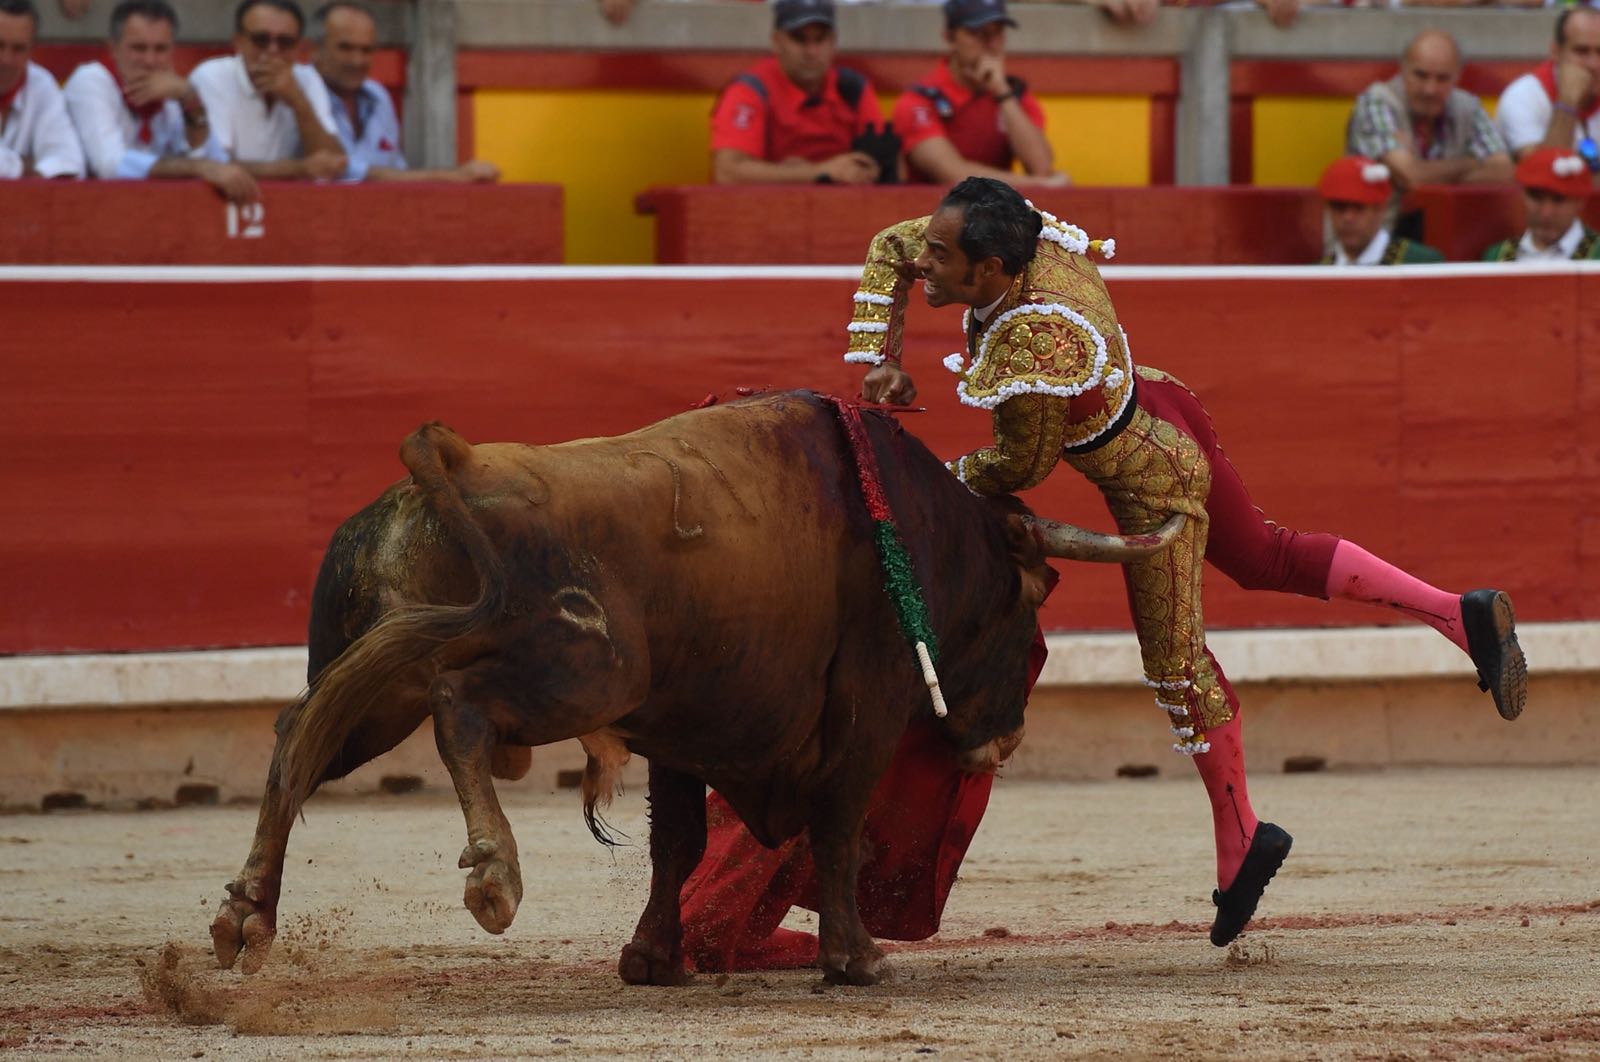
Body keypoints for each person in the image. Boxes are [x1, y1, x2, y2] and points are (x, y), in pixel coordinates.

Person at [680, 177, 1527, 970]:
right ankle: (1459, 613)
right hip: (1160, 400)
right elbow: (887, 249)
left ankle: (1243, 838)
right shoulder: (1000, 240)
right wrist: (879, 357)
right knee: (1268, 553)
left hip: (1152, 481)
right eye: (933, 248)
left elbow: (1024, 457)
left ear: (996, 269)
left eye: (944, 260)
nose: (925, 262)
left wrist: (938, 483)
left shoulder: (1036, 335)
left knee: (1176, 663)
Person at [63, 1, 259, 203]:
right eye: (139, 48)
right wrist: (200, 168)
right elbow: (110, 165)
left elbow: (217, 163)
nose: (150, 61)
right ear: (113, 48)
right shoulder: (90, 80)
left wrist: (191, 101)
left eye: (160, 49)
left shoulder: (171, 92)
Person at [310, 1, 498, 183]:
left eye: (366, 50)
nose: (357, 60)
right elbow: (344, 174)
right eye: (345, 48)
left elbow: (396, 172)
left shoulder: (378, 96)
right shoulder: (300, 93)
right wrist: (452, 177)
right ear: (316, 49)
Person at [708, 0, 888, 185]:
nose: (811, 51)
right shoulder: (751, 90)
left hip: (846, 208)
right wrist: (817, 172)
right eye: (799, 39)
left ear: (833, 41)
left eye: (820, 39)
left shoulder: (854, 88)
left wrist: (863, 171)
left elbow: (885, 166)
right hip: (768, 209)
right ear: (776, 41)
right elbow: (728, 173)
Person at [891, 0, 1066, 188]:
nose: (990, 43)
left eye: (997, 32)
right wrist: (1040, 185)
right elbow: (952, 174)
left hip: (996, 213)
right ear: (950, 38)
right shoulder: (920, 100)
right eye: (977, 33)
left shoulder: (1013, 95)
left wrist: (1003, 94)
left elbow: (1041, 166)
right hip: (933, 213)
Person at [187, 0, 348, 180]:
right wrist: (298, 169)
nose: (273, 51)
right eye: (261, 40)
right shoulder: (211, 76)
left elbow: (335, 163)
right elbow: (214, 166)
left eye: (285, 42)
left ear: (298, 47)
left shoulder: (307, 79)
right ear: (238, 42)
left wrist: (298, 101)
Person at [1345, 29, 1513, 201]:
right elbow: (1411, 177)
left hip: (1450, 222)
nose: (1430, 89)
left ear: (1457, 77)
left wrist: (1423, 170)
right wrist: (1472, 163)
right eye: (1421, 75)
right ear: (1402, 70)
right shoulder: (1377, 102)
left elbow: (1504, 170)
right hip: (1388, 225)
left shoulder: (1468, 106)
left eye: (1442, 79)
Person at [1495, 6, 1600, 164]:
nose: (1594, 64)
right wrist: (1567, 101)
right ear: (1556, 52)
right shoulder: (1523, 97)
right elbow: (1545, 175)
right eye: (1581, 51)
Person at [0, 0, 85, 179]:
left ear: (32, 50)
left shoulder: (41, 84)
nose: (6, 59)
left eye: (18, 49)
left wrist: (30, 173)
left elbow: (70, 163)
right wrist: (23, 166)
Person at [1316, 155, 1444, 265]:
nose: (1348, 217)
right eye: (1339, 208)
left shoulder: (1421, 262)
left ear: (1380, 209)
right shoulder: (1318, 273)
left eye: (1359, 207)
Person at [1481, 146, 1600, 262]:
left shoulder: (1596, 252)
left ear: (1579, 202)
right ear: (1521, 197)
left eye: (1558, 200)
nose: (1546, 212)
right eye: (1536, 198)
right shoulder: (1497, 256)